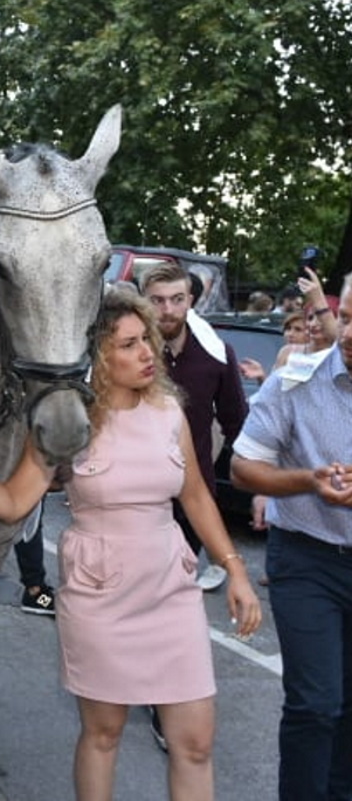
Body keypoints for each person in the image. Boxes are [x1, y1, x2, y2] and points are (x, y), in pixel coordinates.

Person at [0, 285, 261, 801]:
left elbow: (196, 495)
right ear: (99, 359)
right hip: (99, 592)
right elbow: (16, 502)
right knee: (104, 733)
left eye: (146, 340)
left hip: (170, 588)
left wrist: (234, 569)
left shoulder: (169, 413)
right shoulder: (68, 425)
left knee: (195, 742)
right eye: (128, 345)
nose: (147, 352)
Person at [230, 271, 352, 801]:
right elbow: (242, 468)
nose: (347, 333)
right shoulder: (296, 379)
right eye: (346, 317)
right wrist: (307, 479)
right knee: (317, 702)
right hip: (307, 559)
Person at [141, 262, 247, 592]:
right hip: (135, 499)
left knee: (173, 594)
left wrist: (258, 486)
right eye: (157, 301)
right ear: (143, 302)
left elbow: (236, 423)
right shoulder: (126, 351)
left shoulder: (215, 355)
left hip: (190, 501)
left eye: (177, 299)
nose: (168, 310)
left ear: (190, 300)